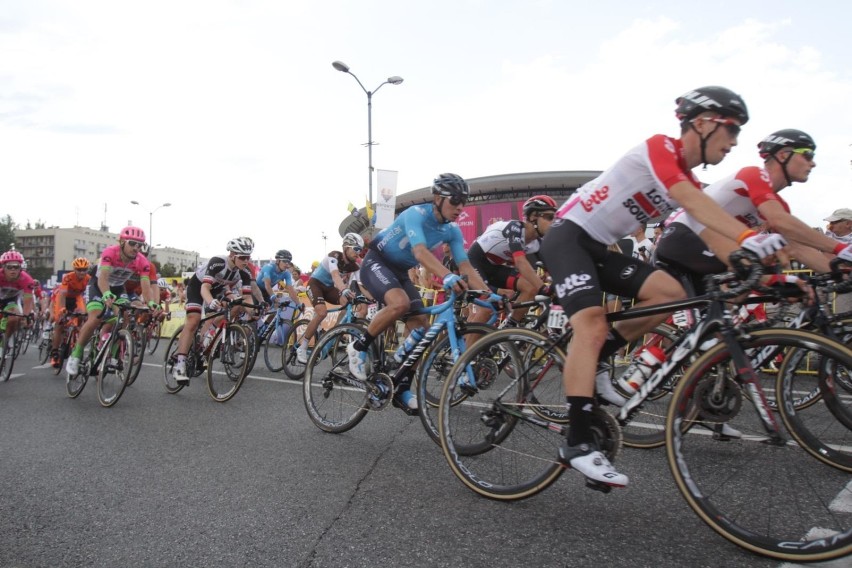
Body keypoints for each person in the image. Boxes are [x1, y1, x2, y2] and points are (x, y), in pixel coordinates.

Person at [538, 86, 787, 488]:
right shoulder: (660, 149)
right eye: (732, 130)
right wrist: (746, 239)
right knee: (591, 323)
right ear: (704, 123)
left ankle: (600, 358)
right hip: (568, 237)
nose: (735, 142)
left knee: (671, 294)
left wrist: (748, 257)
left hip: (598, 247)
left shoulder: (689, 179)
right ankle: (578, 442)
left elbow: (707, 228)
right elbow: (689, 198)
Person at [348, 173, 493, 411]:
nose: (460, 207)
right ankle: (358, 347)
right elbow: (420, 253)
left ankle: (401, 389)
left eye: (463, 201)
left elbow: (465, 265)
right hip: (377, 262)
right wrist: (447, 276)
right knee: (400, 303)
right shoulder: (415, 214)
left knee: (422, 330)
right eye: (455, 200)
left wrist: (488, 294)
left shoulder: (452, 231)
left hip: (400, 272)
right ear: (438, 198)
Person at [656, 129, 852, 290]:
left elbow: (799, 249)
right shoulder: (753, 175)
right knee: (747, 283)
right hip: (684, 239)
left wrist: (837, 274)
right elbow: (780, 221)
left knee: (731, 317)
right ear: (783, 155)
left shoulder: (778, 205)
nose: (813, 163)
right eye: (807, 155)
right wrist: (840, 248)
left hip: (711, 248)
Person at [65, 226, 154, 376]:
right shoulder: (110, 253)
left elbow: (146, 284)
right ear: (122, 242)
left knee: (124, 318)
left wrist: (151, 302)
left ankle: (112, 355)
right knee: (95, 318)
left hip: (118, 288)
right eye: (132, 243)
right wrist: (106, 294)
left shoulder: (142, 261)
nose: (136, 248)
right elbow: (103, 278)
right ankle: (76, 354)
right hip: (98, 285)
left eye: (140, 245)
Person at [171, 237, 255, 385]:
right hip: (198, 287)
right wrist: (211, 302)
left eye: (248, 257)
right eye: (242, 257)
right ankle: (180, 364)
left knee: (236, 305)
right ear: (232, 255)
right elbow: (205, 288)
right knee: (194, 320)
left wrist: (254, 312)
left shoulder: (245, 272)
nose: (246, 261)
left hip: (220, 289)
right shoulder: (218, 262)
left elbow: (247, 297)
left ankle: (209, 337)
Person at [467, 195, 557, 326]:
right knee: (488, 307)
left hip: (494, 268)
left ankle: (509, 329)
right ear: (533, 217)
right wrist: (544, 289)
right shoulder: (514, 228)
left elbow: (550, 269)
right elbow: (520, 262)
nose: (553, 222)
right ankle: (471, 347)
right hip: (475, 262)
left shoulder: (537, 243)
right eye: (549, 217)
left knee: (530, 287)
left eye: (555, 218)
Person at [297, 233, 364, 364]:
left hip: (329, 288)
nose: (358, 253)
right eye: (356, 249)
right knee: (322, 312)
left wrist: (372, 297)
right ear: (346, 247)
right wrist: (344, 289)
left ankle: (334, 332)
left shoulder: (354, 265)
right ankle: (302, 347)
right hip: (315, 284)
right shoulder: (334, 256)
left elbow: (362, 285)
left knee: (347, 304)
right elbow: (335, 275)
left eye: (360, 250)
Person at [50, 257, 91, 367]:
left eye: (84, 269)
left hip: (76, 298)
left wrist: (89, 311)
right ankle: (54, 352)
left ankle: (77, 334)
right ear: (74, 269)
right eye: (79, 269)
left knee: (83, 314)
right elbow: (62, 294)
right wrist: (62, 309)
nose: (82, 272)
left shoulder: (88, 279)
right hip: (64, 298)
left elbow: (88, 296)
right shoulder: (68, 277)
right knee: (60, 324)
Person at [0, 250, 36, 355]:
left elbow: (28, 300)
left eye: (16, 267)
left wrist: (26, 316)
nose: (13, 270)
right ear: (3, 267)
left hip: (11, 300)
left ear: (20, 268)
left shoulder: (27, 279)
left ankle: (5, 339)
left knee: (15, 318)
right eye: (9, 267)